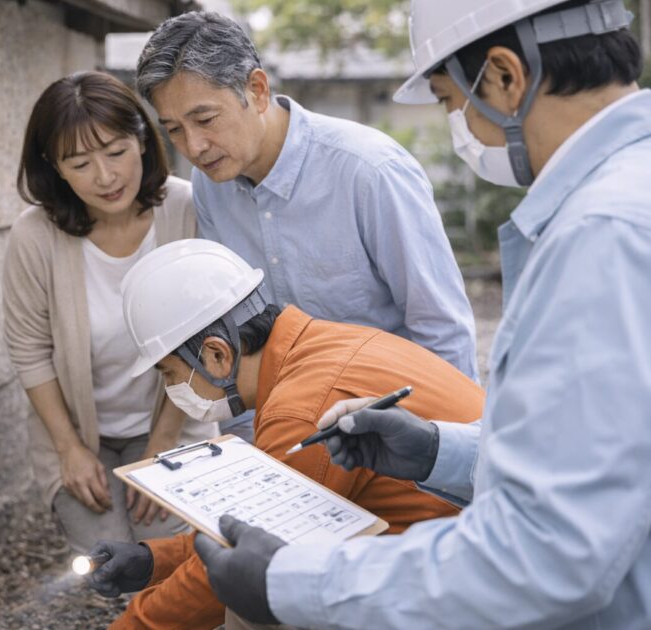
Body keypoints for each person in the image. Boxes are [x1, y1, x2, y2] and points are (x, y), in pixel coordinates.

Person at [193, 1, 651, 628]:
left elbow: (548, 552)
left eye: (446, 100)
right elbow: (605, 452)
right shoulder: (629, 196)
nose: (458, 126)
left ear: (504, 76)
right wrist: (442, 450)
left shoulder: (601, 235)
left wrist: (293, 582)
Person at [83, 239, 485, 629]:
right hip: (460, 552)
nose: (173, 389)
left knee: (255, 607)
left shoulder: (302, 408)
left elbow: (227, 571)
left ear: (217, 355)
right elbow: (254, 524)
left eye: (170, 374)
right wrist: (153, 559)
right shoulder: (322, 345)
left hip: (459, 587)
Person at [135, 11, 479, 386]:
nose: (194, 147)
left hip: (395, 419)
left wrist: (447, 439)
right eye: (174, 130)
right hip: (286, 426)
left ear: (257, 90)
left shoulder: (369, 171)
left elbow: (442, 329)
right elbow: (238, 342)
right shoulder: (209, 186)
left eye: (205, 119)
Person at [2, 71, 216, 554]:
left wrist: (164, 441)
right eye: (79, 163)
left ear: (143, 140)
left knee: (166, 555)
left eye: (116, 152)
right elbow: (29, 350)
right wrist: (69, 449)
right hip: (80, 433)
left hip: (176, 422)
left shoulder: (187, 209)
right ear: (54, 168)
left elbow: (210, 334)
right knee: (109, 558)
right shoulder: (34, 236)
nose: (105, 177)